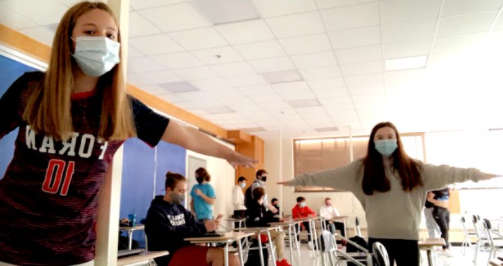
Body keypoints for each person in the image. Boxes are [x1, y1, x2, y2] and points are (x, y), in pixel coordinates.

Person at [0, 2, 255, 265]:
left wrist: (228, 153)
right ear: (69, 38)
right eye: (89, 32)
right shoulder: (31, 90)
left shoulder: (120, 107)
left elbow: (185, 134)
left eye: (110, 35)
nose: (102, 40)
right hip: (9, 242)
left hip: (72, 250)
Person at [278, 122, 499, 266]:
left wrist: (475, 174)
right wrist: (299, 181)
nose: (385, 140)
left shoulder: (415, 169)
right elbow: (326, 176)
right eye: (380, 137)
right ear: (373, 141)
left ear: (397, 139)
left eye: (389, 136)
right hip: (378, 237)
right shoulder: (360, 170)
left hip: (408, 239)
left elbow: (449, 172)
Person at [145, 172, 239, 266]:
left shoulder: (180, 208)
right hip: (170, 255)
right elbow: (172, 234)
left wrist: (209, 226)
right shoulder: (156, 211)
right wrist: (203, 228)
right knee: (219, 256)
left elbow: (195, 224)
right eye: (180, 191)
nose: (183, 194)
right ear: (169, 190)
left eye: (185, 191)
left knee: (231, 259)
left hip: (186, 249)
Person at [246, 187, 290, 266]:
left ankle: (280, 259)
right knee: (279, 235)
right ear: (262, 196)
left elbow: (266, 218)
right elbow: (258, 221)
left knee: (282, 234)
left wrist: (278, 219)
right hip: (256, 231)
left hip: (263, 229)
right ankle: (280, 260)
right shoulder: (252, 207)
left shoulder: (261, 206)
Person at [427, 188, 451, 255]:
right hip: (438, 210)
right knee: (444, 230)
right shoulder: (437, 189)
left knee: (446, 230)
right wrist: (438, 202)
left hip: (446, 210)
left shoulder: (446, 189)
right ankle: (444, 248)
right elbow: (429, 198)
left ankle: (446, 247)